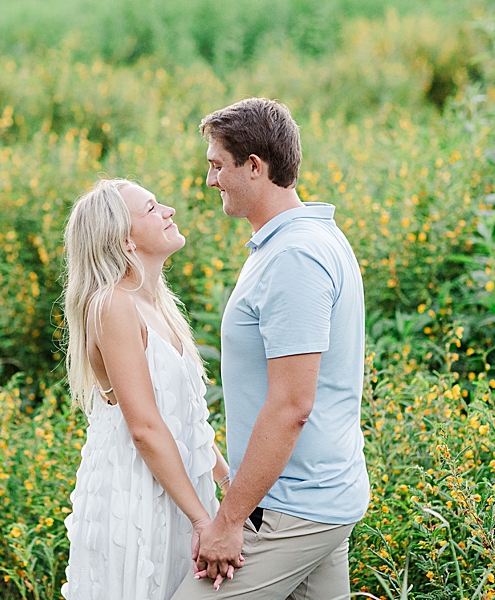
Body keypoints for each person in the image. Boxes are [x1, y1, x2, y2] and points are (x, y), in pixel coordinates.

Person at [172, 98, 370, 599]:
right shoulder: (297, 240)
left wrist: (229, 519)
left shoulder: (296, 256)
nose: (210, 180)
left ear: (255, 167)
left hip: (291, 510)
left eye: (217, 166)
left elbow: (291, 406)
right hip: (316, 501)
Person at [60, 178, 231, 600]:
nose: (169, 210)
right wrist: (202, 522)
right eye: (152, 208)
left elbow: (186, 419)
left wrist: (230, 490)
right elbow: (146, 427)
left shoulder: (160, 305)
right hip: (135, 491)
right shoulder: (112, 304)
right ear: (124, 240)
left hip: (182, 487)